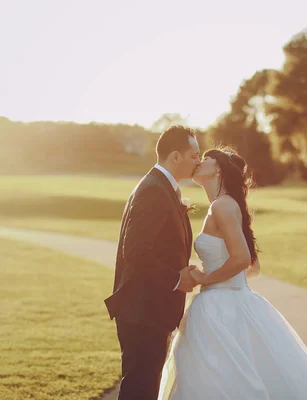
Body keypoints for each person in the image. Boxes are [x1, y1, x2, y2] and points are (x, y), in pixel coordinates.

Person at [160, 147, 307, 399]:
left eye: (205, 159)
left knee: (221, 376)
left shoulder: (223, 206)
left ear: (218, 169)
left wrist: (207, 278)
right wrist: (216, 277)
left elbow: (243, 259)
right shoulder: (223, 204)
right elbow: (251, 268)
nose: (198, 162)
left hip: (220, 308)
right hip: (226, 300)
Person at [104, 125, 201, 400]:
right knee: (140, 389)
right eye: (194, 155)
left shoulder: (161, 187)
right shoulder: (154, 190)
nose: (198, 161)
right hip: (143, 311)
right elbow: (135, 251)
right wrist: (177, 278)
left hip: (149, 310)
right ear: (175, 157)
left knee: (144, 387)